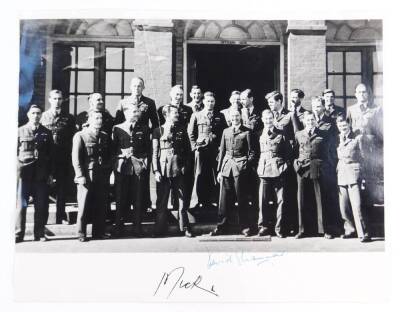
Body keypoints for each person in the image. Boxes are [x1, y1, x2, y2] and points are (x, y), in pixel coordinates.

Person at [210, 108, 256, 237]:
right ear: (229, 117)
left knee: (242, 198)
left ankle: (244, 226)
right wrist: (219, 170)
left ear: (240, 117)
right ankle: (222, 225)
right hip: (226, 167)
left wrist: (245, 166)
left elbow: (252, 152)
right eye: (232, 116)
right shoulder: (226, 131)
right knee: (224, 199)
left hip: (241, 168)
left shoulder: (247, 132)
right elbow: (222, 152)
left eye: (237, 116)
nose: (235, 118)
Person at [152, 105, 193, 237]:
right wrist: (156, 170)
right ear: (166, 115)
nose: (177, 114)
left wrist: (185, 166)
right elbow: (155, 153)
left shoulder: (181, 129)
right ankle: (159, 229)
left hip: (178, 168)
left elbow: (187, 151)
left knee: (182, 200)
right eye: (174, 113)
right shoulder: (158, 130)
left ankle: (184, 228)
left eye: (177, 112)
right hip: (163, 170)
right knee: (162, 200)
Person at [72, 110, 112, 242]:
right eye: (96, 118)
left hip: (102, 175)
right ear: (89, 120)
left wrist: (109, 172)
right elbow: (76, 158)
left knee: (100, 205)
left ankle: (98, 232)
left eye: (100, 118)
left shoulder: (105, 136)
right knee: (83, 205)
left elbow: (108, 157)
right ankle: (81, 233)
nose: (99, 121)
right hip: (87, 176)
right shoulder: (81, 136)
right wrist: (80, 175)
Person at [112, 104, 151, 237]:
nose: (136, 114)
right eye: (134, 111)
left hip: (137, 168)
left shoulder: (144, 129)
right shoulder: (117, 129)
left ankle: (137, 228)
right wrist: (121, 155)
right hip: (122, 168)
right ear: (126, 113)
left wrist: (144, 162)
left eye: (138, 112)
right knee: (120, 198)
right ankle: (118, 228)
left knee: (138, 198)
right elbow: (113, 149)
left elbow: (147, 149)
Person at [16, 105, 54, 243]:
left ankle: (39, 233)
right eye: (33, 113)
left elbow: (51, 155)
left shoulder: (46, 132)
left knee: (41, 205)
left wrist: (50, 174)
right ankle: (18, 234)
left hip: (41, 175)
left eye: (38, 113)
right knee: (21, 205)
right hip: (24, 174)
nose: (36, 116)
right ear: (28, 115)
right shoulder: (20, 131)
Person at [293, 111, 333, 239]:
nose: (310, 122)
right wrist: (296, 165)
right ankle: (302, 229)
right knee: (302, 199)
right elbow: (294, 152)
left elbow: (328, 152)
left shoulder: (323, 134)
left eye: (312, 120)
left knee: (320, 198)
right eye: (307, 120)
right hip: (302, 169)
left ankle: (324, 230)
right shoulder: (298, 134)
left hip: (318, 167)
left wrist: (324, 166)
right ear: (304, 121)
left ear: (315, 121)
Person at [40, 90, 76, 224]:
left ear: (63, 100)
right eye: (54, 98)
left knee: (62, 189)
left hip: (63, 158)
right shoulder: (43, 117)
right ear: (49, 100)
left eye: (59, 99)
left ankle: (60, 217)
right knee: (44, 189)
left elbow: (73, 139)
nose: (57, 101)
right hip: (47, 158)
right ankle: (43, 219)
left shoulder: (69, 118)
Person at [187, 91, 227, 210]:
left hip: (215, 150)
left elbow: (224, 133)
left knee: (214, 175)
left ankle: (213, 200)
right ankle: (198, 201)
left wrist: (221, 147)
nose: (210, 103)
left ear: (215, 102)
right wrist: (194, 147)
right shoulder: (197, 115)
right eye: (208, 101)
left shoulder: (220, 116)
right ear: (203, 101)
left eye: (212, 101)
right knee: (199, 174)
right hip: (201, 150)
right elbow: (190, 133)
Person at [347, 83, 383, 211]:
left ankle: (370, 215)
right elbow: (348, 132)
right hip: (356, 152)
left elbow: (380, 132)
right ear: (355, 94)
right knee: (356, 182)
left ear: (368, 94)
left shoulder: (376, 109)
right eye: (359, 92)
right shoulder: (350, 110)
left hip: (370, 151)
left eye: (364, 92)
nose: (362, 95)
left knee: (370, 182)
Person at [256, 109, 292, 237]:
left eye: (270, 118)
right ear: (262, 119)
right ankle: (263, 226)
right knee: (263, 200)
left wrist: (285, 164)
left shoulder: (282, 133)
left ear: (274, 118)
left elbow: (288, 151)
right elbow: (255, 153)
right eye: (266, 119)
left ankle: (279, 228)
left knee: (281, 200)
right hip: (264, 169)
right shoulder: (258, 133)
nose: (268, 121)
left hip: (279, 169)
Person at [336, 116, 371, 242]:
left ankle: (364, 233)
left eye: (344, 126)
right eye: (340, 126)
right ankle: (350, 230)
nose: (343, 128)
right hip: (341, 174)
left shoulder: (358, 138)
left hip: (354, 174)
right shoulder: (337, 138)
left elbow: (364, 157)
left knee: (357, 205)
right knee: (343, 206)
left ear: (349, 125)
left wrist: (363, 176)